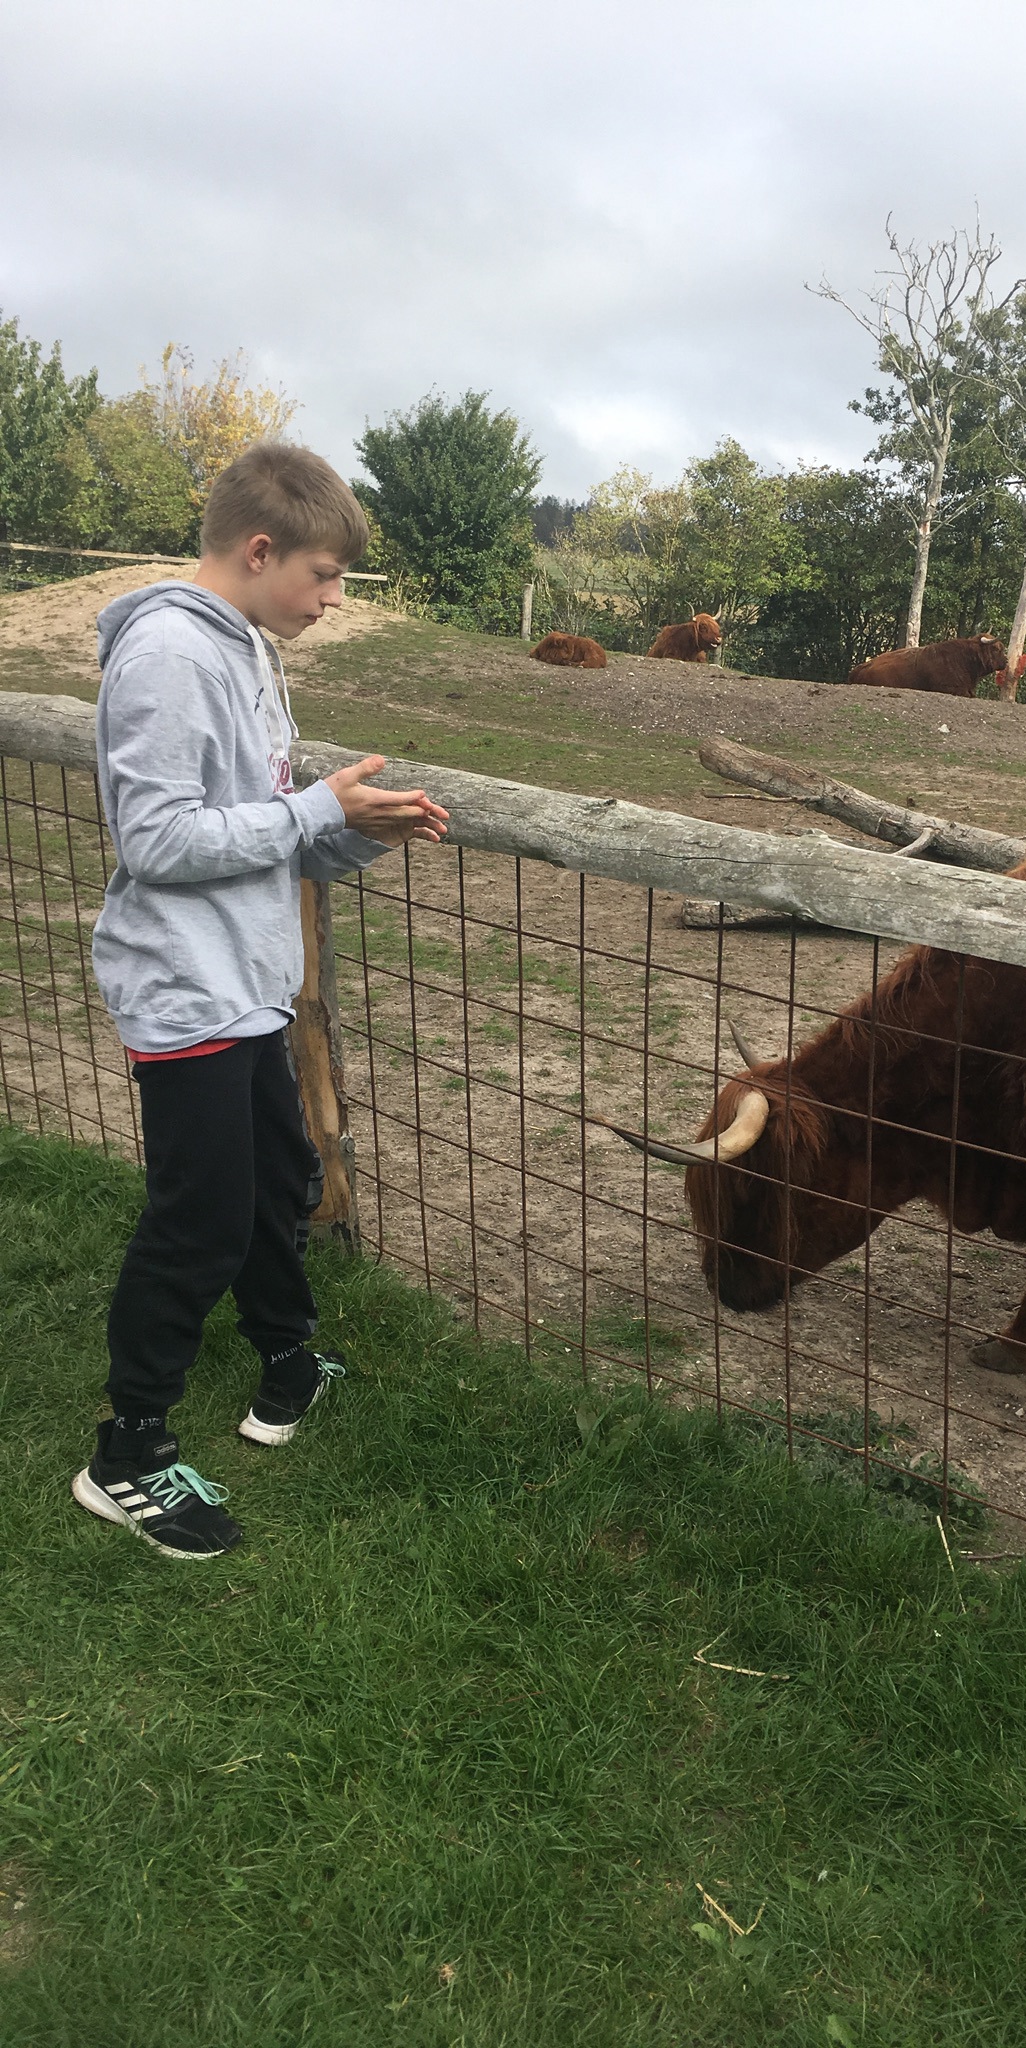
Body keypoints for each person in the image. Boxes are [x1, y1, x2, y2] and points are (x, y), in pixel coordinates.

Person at [73, 442, 450, 1560]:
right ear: (259, 549)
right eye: (324, 576)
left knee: (278, 1180)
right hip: (185, 988)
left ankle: (287, 1360)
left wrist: (359, 831)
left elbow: (268, 820)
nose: (332, 600)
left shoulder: (243, 647)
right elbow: (155, 840)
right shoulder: (169, 656)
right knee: (196, 1222)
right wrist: (314, 811)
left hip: (245, 984)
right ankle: (126, 1453)